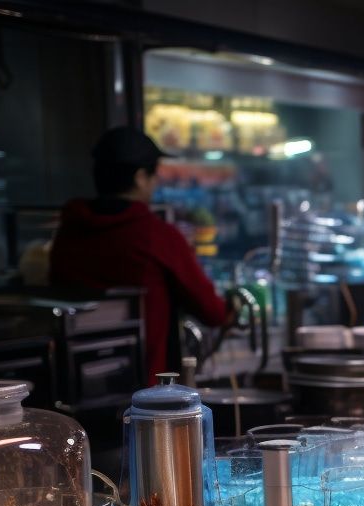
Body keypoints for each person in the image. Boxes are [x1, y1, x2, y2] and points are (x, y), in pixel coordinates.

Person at [50, 126, 232, 381]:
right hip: (146, 393)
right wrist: (232, 308)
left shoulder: (69, 228)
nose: (155, 184)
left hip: (75, 380)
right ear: (139, 177)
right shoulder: (156, 235)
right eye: (153, 176)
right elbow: (212, 312)